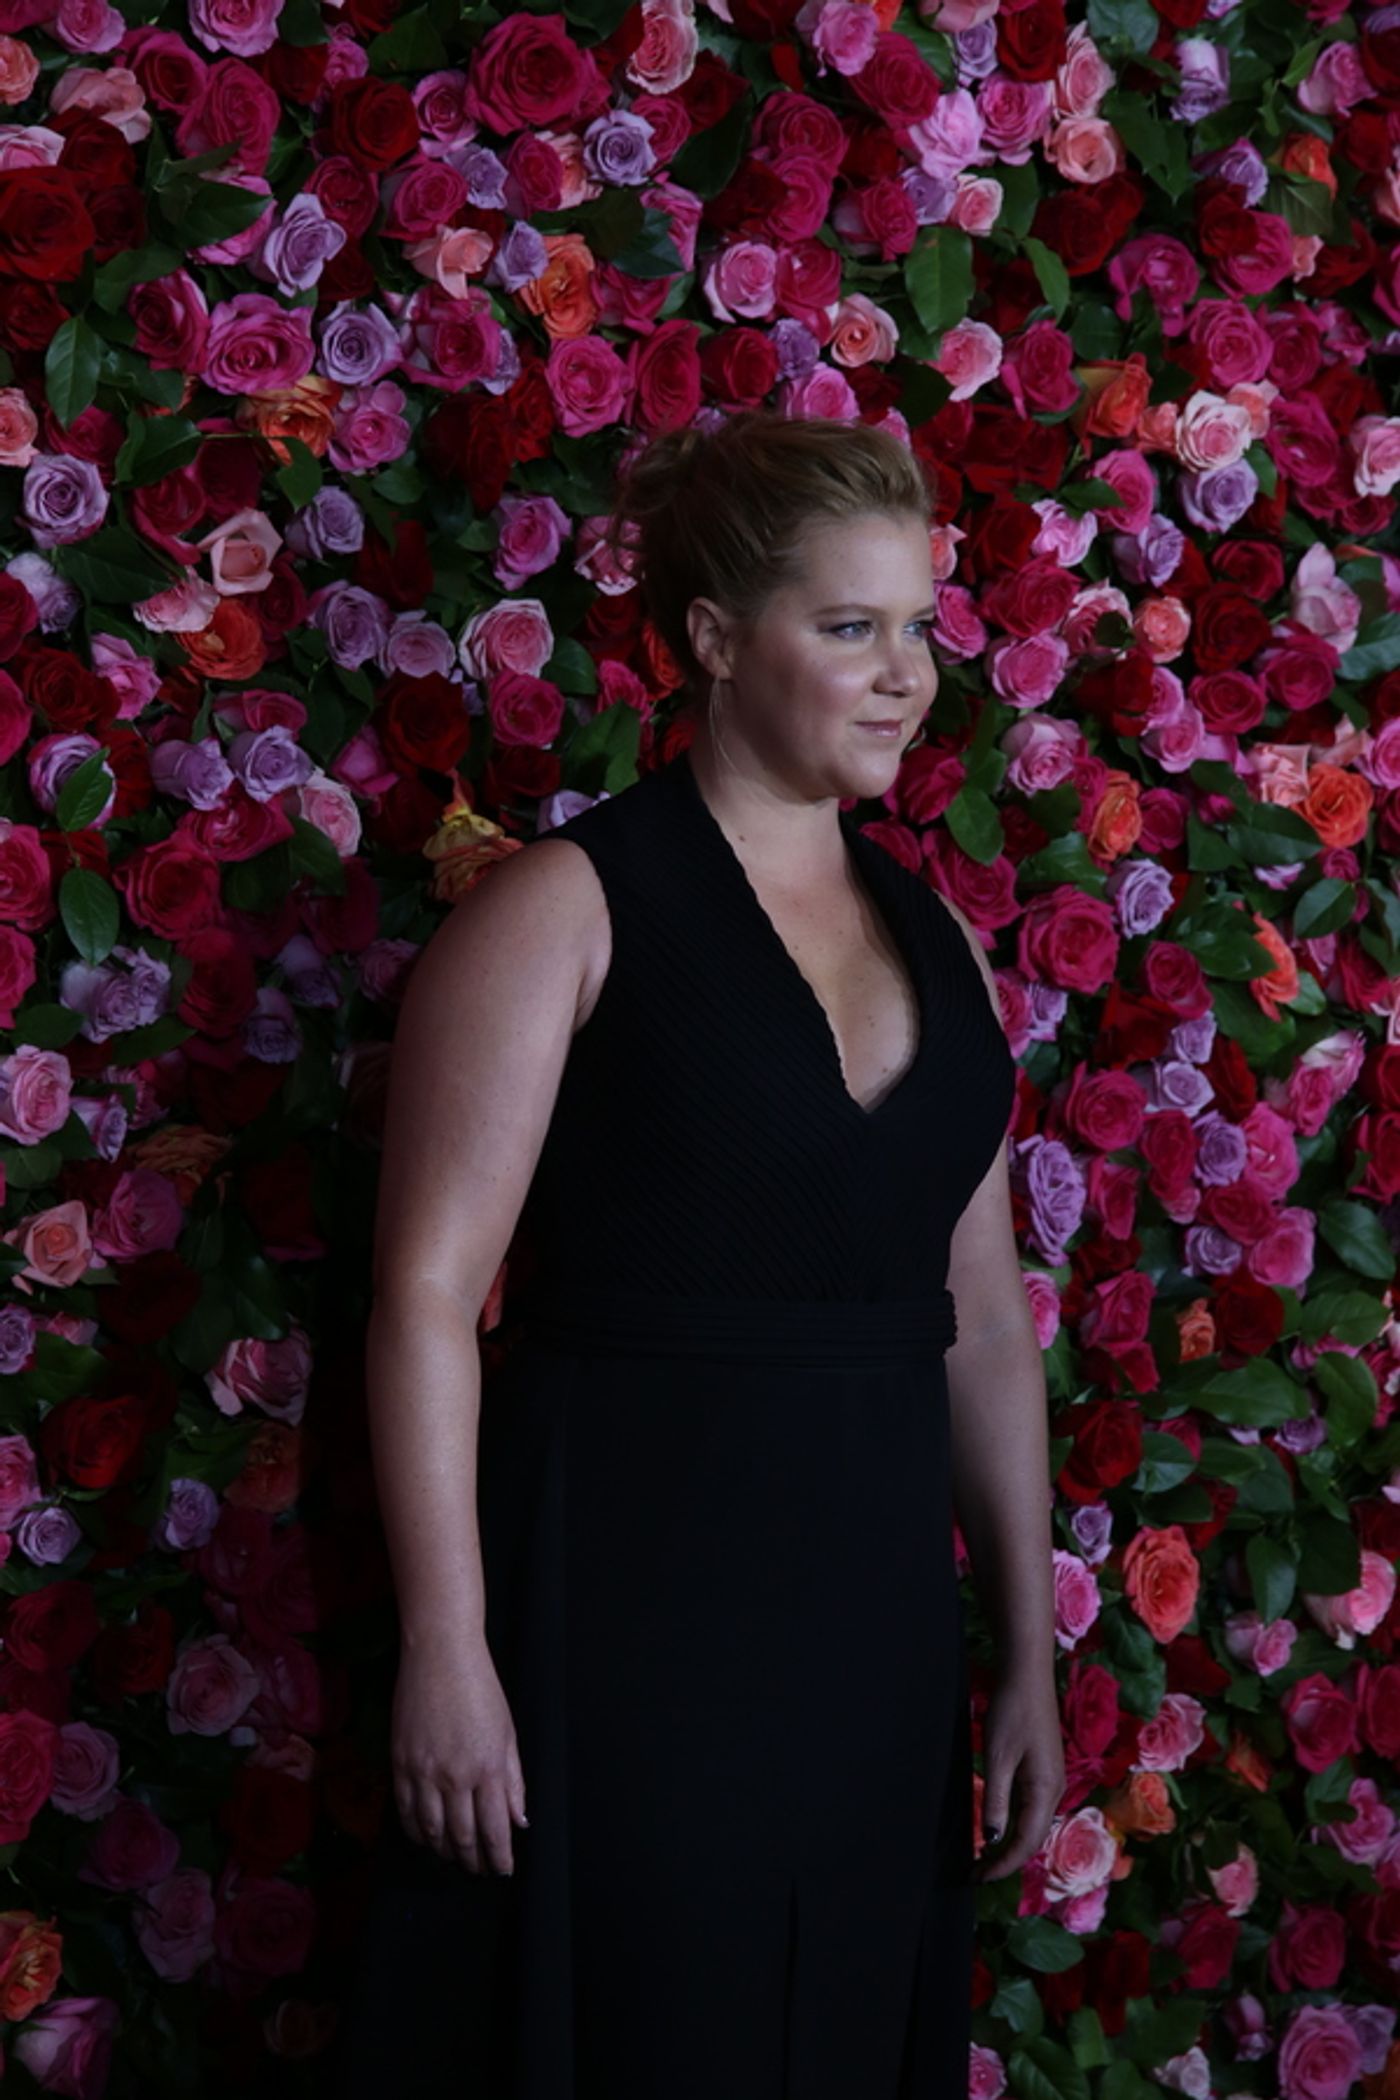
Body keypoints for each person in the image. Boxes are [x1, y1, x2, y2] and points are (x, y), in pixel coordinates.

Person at [329, 410, 1064, 2098]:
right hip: (627, 1623)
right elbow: (427, 1297)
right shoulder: (562, 913)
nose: (906, 678)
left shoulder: (936, 931)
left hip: (875, 1644)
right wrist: (452, 1645)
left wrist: (1025, 1653)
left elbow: (986, 1321)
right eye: (850, 627)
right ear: (718, 643)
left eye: (923, 631)